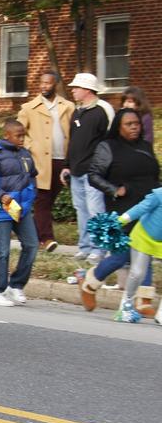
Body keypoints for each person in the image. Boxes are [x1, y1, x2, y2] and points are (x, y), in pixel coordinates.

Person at [80, 108, 159, 314]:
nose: (134, 127)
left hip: (147, 205)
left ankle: (144, 301)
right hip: (121, 206)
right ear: (119, 126)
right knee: (122, 255)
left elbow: (153, 176)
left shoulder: (145, 146)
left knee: (145, 251)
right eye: (129, 124)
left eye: (137, 123)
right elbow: (94, 176)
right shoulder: (108, 147)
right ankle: (90, 282)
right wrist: (114, 190)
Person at [0, 120, 39, 307]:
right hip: (3, 208)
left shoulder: (25, 154)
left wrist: (31, 195)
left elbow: (32, 176)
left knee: (32, 245)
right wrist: (1, 196)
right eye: (18, 135)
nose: (22, 139)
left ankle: (16, 285)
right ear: (7, 135)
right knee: (2, 250)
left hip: (22, 209)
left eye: (23, 135)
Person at [17, 71, 75, 252]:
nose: (44, 86)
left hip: (61, 160)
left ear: (55, 84)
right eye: (41, 83)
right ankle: (47, 239)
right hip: (40, 160)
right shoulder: (29, 108)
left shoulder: (68, 107)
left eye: (48, 83)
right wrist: (30, 145)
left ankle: (33, 236)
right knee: (42, 200)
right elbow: (18, 130)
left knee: (48, 201)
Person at [62, 73, 111, 263]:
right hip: (75, 171)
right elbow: (72, 141)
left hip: (93, 172)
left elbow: (107, 143)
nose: (73, 90)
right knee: (81, 210)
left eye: (76, 87)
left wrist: (101, 168)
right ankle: (85, 247)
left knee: (95, 210)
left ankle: (99, 249)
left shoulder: (101, 112)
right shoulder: (77, 112)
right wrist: (67, 166)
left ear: (88, 90)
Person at [117, 189, 162, 323]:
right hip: (144, 236)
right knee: (137, 273)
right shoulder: (159, 194)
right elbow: (140, 208)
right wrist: (118, 222)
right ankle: (126, 305)